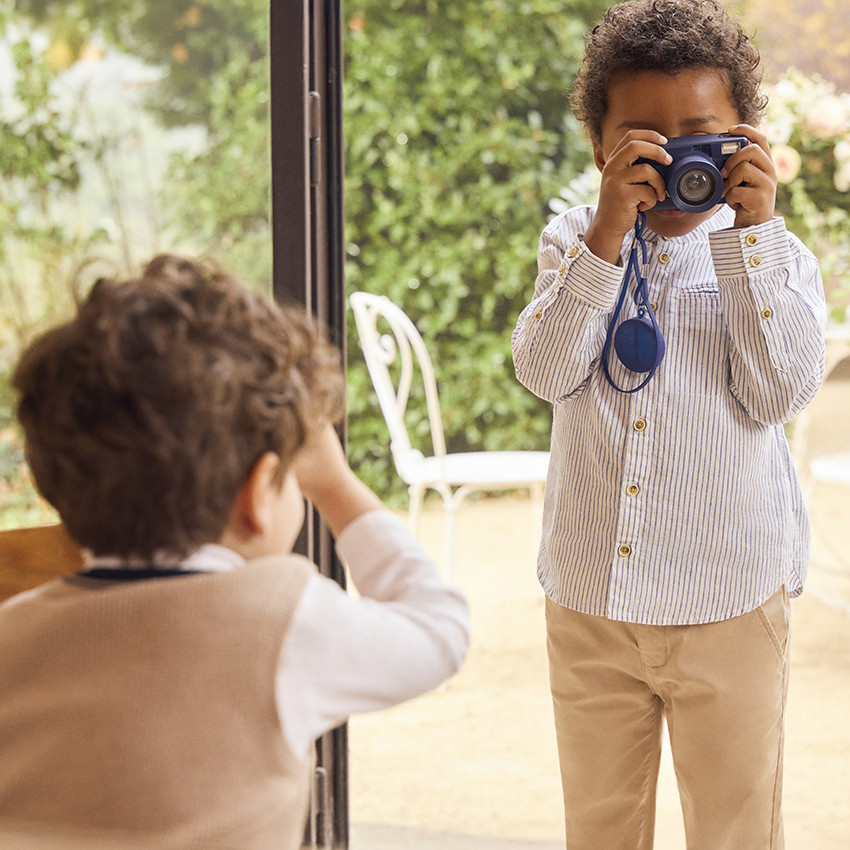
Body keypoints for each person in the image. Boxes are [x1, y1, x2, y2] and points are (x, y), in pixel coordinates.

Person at [0, 254, 469, 849]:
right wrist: (335, 485)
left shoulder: (11, 633)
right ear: (256, 497)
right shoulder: (279, 619)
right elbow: (440, 627)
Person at [511, 1, 826, 848]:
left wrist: (753, 235)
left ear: (746, 140)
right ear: (599, 150)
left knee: (735, 829)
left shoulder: (778, 257)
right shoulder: (576, 240)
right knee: (600, 828)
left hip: (726, 600)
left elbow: (780, 393)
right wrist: (608, 238)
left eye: (701, 135)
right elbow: (543, 371)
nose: (678, 159)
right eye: (646, 139)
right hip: (591, 599)